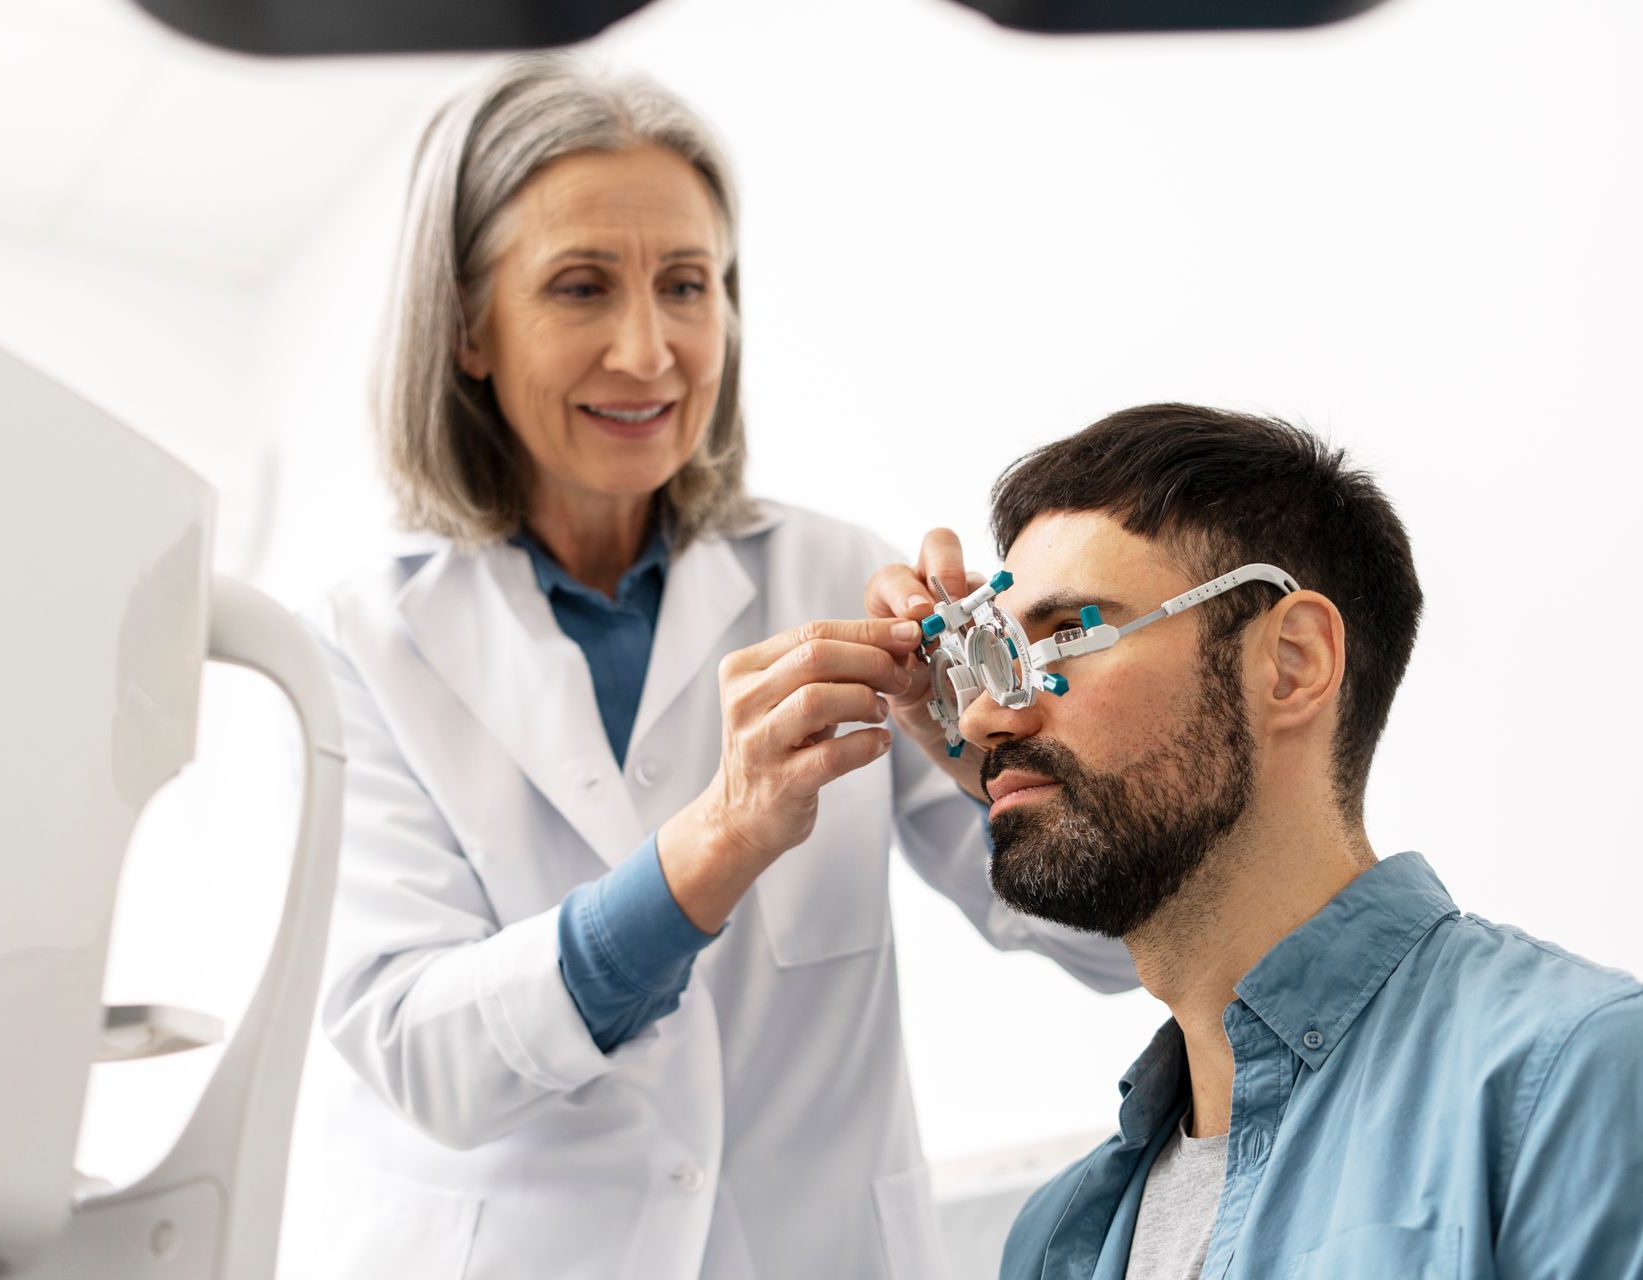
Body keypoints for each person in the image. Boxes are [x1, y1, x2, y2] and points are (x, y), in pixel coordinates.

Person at [293, 57, 1135, 1280]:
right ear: (468, 327)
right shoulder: (362, 642)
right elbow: (424, 1053)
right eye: (582, 287)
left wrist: (987, 761)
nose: (650, 351)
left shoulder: (839, 575)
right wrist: (719, 840)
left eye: (687, 285)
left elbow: (1116, 946)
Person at [913, 404, 1643, 1278]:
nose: (988, 716)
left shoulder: (1602, 1089)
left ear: (1292, 662)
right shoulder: (1057, 1238)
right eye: (983, 665)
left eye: (1065, 633)